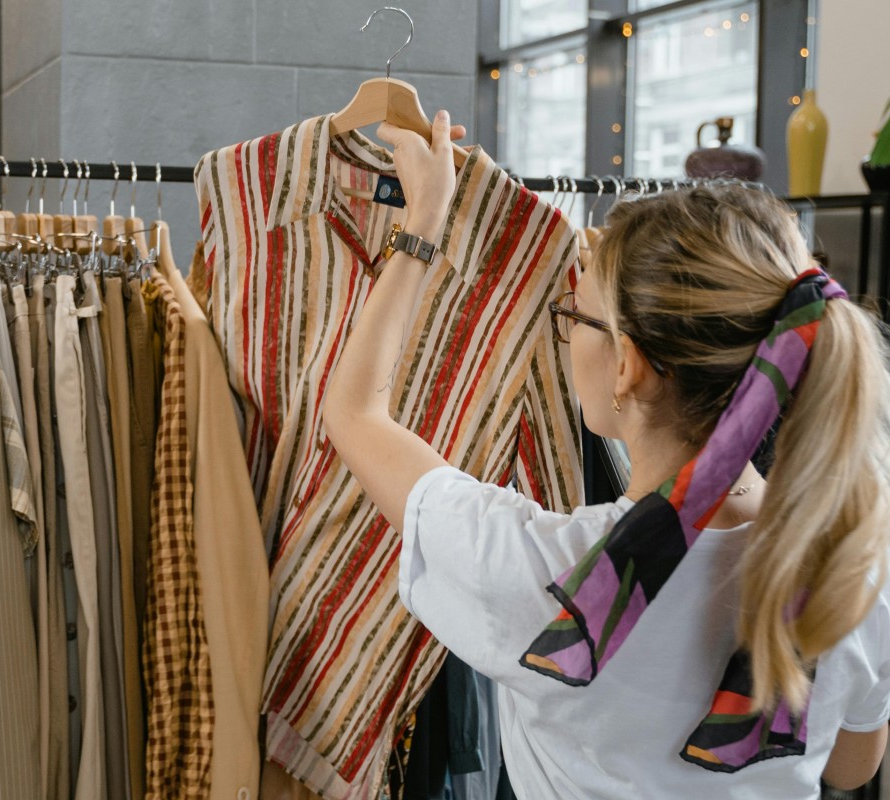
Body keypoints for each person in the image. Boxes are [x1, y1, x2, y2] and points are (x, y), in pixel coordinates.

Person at [323, 109, 890, 798]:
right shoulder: (857, 559)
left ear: (628, 365)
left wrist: (422, 226)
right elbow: (852, 765)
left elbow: (354, 415)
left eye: (575, 314)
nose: (567, 329)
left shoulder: (553, 582)